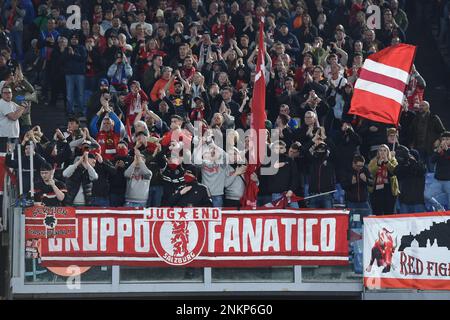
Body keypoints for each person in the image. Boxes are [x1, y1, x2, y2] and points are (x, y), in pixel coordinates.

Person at [342, 154, 373, 227]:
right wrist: (351, 183)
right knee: (353, 224)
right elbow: (343, 185)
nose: (360, 168)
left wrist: (366, 180)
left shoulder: (365, 170)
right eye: (358, 166)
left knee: (368, 223)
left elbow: (372, 183)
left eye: (361, 166)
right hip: (351, 202)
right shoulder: (347, 170)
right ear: (353, 163)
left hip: (364, 202)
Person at [368, 144, 399, 215]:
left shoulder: (393, 160)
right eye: (380, 150)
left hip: (389, 191)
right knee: (377, 212)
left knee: (389, 213)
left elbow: (394, 171)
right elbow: (370, 172)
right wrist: (378, 164)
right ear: (378, 152)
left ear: (388, 152)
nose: (382, 152)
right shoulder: (373, 161)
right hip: (376, 192)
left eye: (385, 150)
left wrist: (387, 162)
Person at [394, 146, 426, 213]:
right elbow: (396, 171)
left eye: (411, 155)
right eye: (408, 155)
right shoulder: (404, 167)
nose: (409, 157)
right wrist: (403, 162)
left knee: (419, 223)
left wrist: (412, 161)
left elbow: (421, 170)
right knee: (404, 223)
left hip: (418, 202)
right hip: (404, 202)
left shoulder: (421, 165)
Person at [63, 33, 88, 117]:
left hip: (80, 74)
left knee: (80, 94)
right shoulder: (67, 49)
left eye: (76, 38)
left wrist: (73, 54)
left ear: (78, 40)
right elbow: (63, 60)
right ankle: (70, 111)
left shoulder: (82, 48)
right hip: (69, 74)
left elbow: (83, 59)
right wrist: (67, 53)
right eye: (72, 38)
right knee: (69, 95)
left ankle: (81, 111)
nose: (74, 40)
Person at [425, 132, 450, 210]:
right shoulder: (439, 150)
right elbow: (432, 160)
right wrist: (437, 152)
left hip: (449, 181)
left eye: (447, 139)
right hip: (438, 181)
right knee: (426, 195)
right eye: (443, 139)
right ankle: (439, 207)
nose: (445, 141)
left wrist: (447, 150)